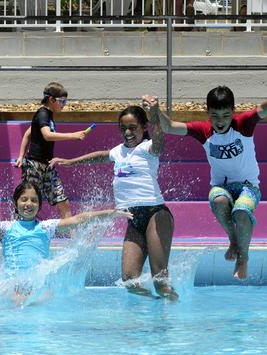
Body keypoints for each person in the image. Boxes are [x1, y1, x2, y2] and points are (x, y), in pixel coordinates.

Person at [151, 82, 267, 280]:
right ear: (207, 112)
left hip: (249, 187)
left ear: (233, 111)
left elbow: (264, 108)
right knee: (218, 201)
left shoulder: (243, 124)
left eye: (225, 115)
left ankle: (243, 258)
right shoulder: (203, 131)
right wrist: (155, 109)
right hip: (222, 187)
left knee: (241, 212)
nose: (220, 121)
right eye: (215, 116)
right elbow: (169, 127)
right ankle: (233, 240)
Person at [51, 104, 179, 300]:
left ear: (144, 127)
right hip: (133, 219)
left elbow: (160, 141)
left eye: (132, 127)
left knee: (160, 282)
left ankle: (172, 320)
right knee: (130, 281)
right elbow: (101, 156)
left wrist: (154, 114)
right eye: (123, 128)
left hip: (155, 214)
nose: (127, 132)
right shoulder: (118, 151)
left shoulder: (147, 148)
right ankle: (156, 309)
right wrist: (71, 161)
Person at [0, 182, 132, 306]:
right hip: (13, 287)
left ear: (39, 205)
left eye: (34, 200)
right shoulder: (6, 227)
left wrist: (110, 213)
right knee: (16, 304)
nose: (29, 204)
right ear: (15, 203)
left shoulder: (45, 227)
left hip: (38, 288)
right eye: (24, 199)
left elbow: (77, 220)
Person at [15, 82, 88, 219]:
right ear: (51, 100)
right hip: (34, 166)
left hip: (48, 166)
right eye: (62, 101)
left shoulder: (47, 115)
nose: (64, 104)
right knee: (28, 202)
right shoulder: (43, 114)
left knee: (63, 202)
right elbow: (47, 135)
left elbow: (27, 134)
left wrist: (20, 156)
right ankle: (20, 233)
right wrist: (73, 135)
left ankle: (72, 238)